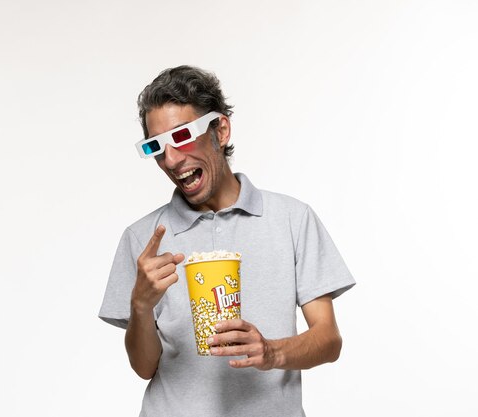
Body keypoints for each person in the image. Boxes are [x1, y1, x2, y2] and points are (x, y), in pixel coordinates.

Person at [98, 65, 355, 417]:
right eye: (156, 146)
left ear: (220, 130)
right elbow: (144, 367)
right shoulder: (143, 240)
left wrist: (272, 352)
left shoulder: (292, 219)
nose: (171, 160)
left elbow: (329, 340)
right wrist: (141, 307)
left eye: (183, 136)